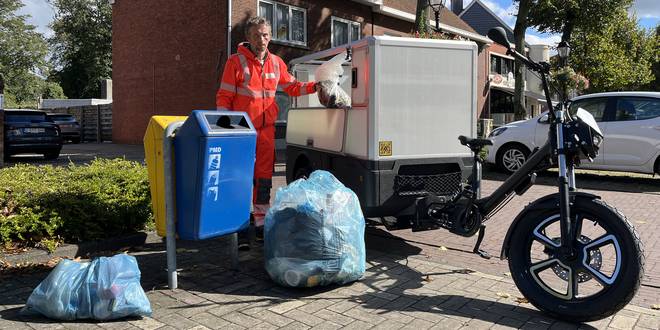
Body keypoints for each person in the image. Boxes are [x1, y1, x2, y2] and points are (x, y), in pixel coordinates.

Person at [216, 17, 317, 248]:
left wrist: (315, 86)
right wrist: (225, 130)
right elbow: (224, 97)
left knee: (263, 180)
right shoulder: (235, 62)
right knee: (240, 180)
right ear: (248, 37)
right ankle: (240, 229)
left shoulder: (276, 62)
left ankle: (260, 225)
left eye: (265, 35)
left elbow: (292, 86)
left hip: (266, 132)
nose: (261, 40)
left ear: (270, 37)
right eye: (256, 35)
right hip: (241, 131)